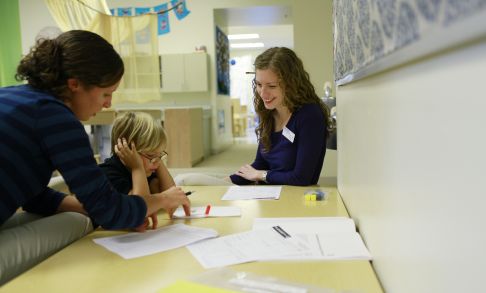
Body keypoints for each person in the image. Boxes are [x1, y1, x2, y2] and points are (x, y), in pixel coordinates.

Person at [0, 30, 190, 285]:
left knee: (77, 213)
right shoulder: (55, 117)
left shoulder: (13, 96)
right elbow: (111, 212)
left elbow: (30, 193)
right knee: (76, 223)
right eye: (105, 94)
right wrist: (162, 199)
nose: (108, 104)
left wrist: (90, 205)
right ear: (75, 84)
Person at [175, 47, 329, 186]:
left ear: (292, 83)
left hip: (291, 197)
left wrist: (261, 175)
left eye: (271, 86)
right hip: (265, 192)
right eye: (259, 84)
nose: (263, 94)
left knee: (186, 181)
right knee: (185, 181)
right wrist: (226, 183)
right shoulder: (269, 112)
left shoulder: (310, 115)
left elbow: (302, 178)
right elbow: (260, 163)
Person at [99, 111, 177, 230]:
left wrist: (156, 158)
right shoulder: (108, 174)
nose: (156, 161)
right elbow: (139, 209)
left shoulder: (149, 167)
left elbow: (172, 199)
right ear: (126, 150)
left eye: (160, 155)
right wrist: (137, 167)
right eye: (151, 155)